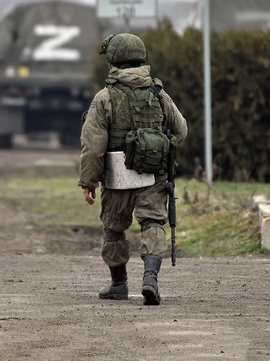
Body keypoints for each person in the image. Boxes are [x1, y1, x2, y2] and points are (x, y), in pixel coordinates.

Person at [78, 33, 188, 306]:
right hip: (153, 173)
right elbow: (181, 130)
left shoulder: (104, 98)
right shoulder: (158, 93)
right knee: (152, 222)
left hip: (117, 176)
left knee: (114, 227)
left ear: (113, 60)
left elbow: (93, 146)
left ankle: (118, 284)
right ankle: (150, 279)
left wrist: (88, 181)